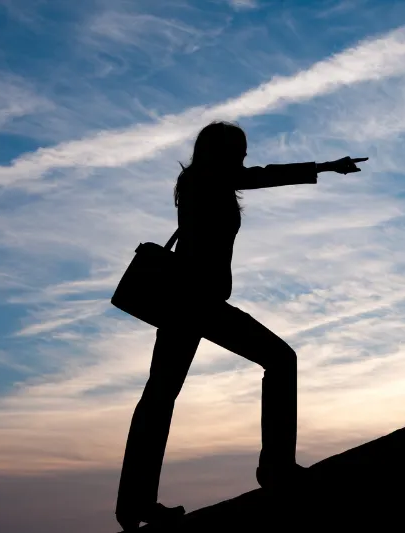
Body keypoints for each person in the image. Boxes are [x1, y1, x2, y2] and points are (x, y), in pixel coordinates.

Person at [115, 120, 368, 531]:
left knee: (159, 396)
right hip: (195, 302)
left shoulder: (203, 180)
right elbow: (262, 175)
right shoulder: (207, 178)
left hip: (190, 303)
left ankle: (134, 505)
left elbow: (252, 176)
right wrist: (324, 167)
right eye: (239, 150)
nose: (245, 157)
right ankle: (276, 468)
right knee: (279, 360)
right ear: (221, 152)